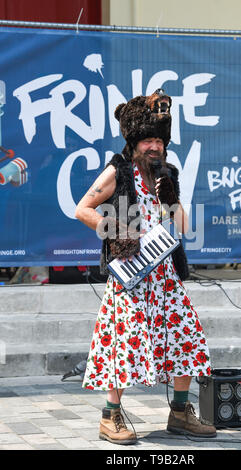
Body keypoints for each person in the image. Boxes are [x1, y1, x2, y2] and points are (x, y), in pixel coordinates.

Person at [75, 89, 216, 445]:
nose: (154, 146)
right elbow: (83, 209)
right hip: (130, 274)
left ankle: (181, 413)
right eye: (147, 140)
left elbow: (181, 226)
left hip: (165, 276)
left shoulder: (167, 173)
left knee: (187, 338)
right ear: (135, 142)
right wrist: (119, 229)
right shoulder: (118, 169)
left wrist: (171, 198)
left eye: (159, 140)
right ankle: (110, 417)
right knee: (123, 342)